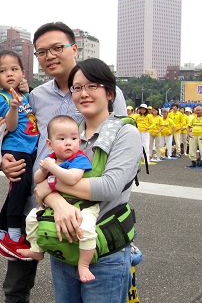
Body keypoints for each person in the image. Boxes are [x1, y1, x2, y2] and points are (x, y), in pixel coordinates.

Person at [0, 22, 128, 303]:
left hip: (87, 206)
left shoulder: (109, 94)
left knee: (91, 277)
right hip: (37, 199)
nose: (50, 56)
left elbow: (115, 158)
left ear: (74, 48)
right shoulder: (36, 96)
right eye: (42, 51)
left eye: (57, 48)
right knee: (17, 286)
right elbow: (22, 136)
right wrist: (3, 161)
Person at [32, 59, 142, 302]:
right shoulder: (71, 131)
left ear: (110, 93)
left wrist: (49, 186)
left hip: (104, 253)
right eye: (77, 88)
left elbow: (108, 187)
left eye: (92, 86)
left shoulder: (126, 133)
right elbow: (39, 174)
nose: (84, 93)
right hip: (63, 245)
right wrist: (58, 203)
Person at [21, 115, 96, 283]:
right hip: (58, 203)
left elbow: (72, 179)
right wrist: (43, 169)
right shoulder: (52, 159)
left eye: (74, 138)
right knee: (32, 218)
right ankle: (36, 249)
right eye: (62, 138)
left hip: (83, 205)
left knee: (87, 229)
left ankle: (84, 265)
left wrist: (52, 168)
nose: (69, 142)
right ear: (49, 144)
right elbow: (37, 180)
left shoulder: (79, 158)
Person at [0, 50, 39, 261]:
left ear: (22, 73)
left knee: (21, 190)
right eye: (3, 70)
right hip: (15, 149)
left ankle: (0, 232)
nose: (9, 74)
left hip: (29, 149)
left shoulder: (25, 95)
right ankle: (14, 234)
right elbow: (10, 125)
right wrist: (14, 108)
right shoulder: (1, 97)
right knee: (18, 191)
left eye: (14, 69)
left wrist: (25, 92)